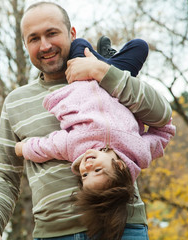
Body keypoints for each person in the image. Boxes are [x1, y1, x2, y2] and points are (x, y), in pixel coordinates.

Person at [0, 2, 172, 240]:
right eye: (34, 38)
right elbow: (5, 175)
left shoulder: (108, 80)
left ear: (72, 34)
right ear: (26, 45)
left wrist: (103, 72)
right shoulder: (15, 102)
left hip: (123, 228)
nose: (45, 45)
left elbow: (163, 115)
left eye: (52, 33)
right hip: (54, 233)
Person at [14, 38, 176, 239]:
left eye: (84, 176)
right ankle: (106, 61)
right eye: (98, 170)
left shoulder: (74, 146)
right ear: (120, 166)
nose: (87, 167)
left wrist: (22, 148)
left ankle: (105, 59)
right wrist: (103, 71)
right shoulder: (138, 151)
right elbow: (164, 131)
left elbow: (45, 147)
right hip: (111, 82)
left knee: (79, 44)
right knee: (141, 46)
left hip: (79, 79)